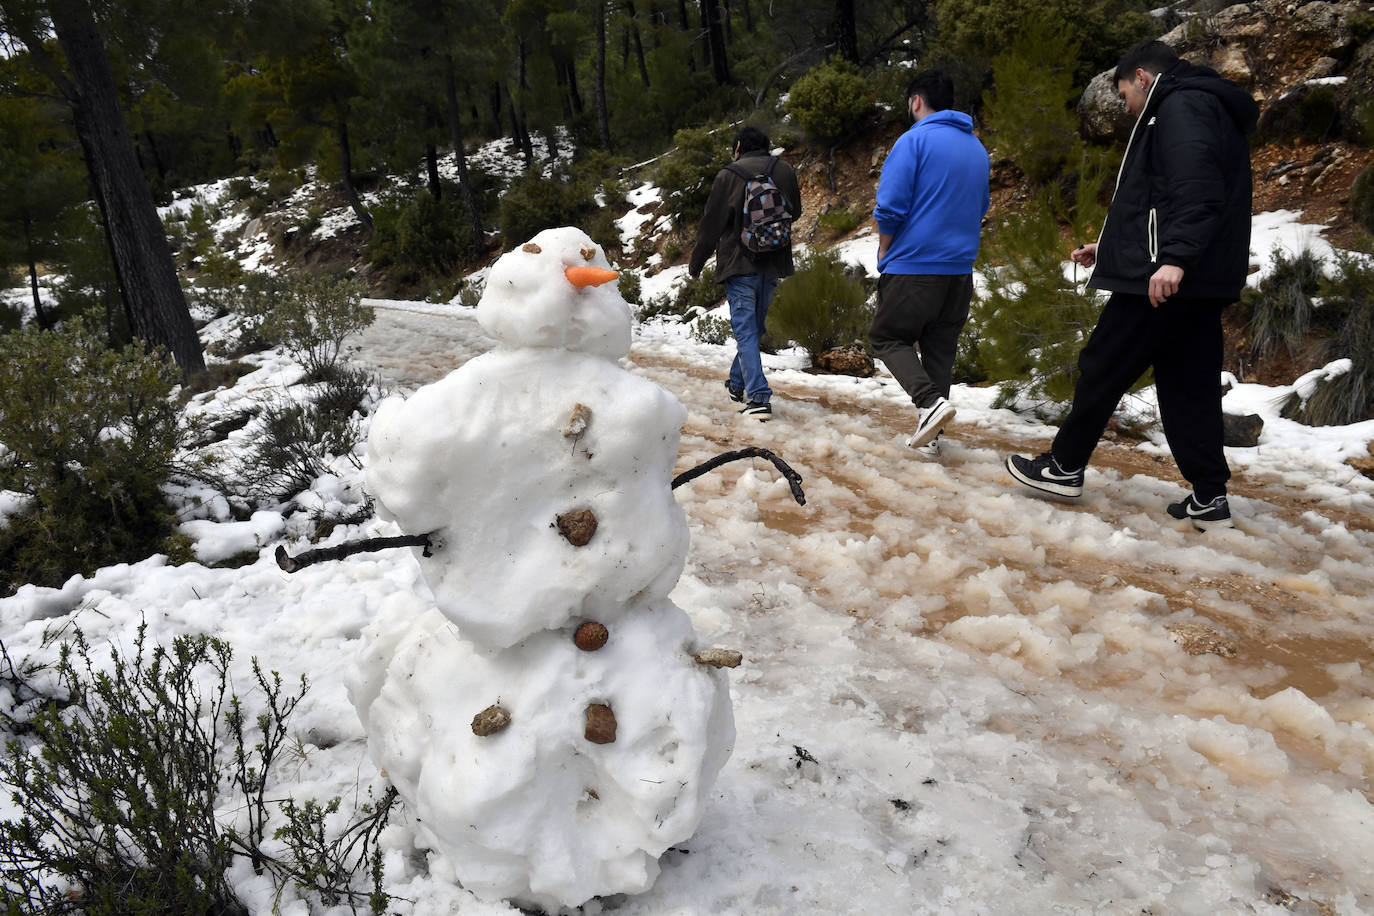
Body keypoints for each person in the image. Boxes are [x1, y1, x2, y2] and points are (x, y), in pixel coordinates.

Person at [1004, 40, 1258, 531]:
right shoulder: (1203, 105)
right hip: (1194, 278)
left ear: (1142, 78)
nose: (1126, 106)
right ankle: (1209, 495)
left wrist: (1175, 259)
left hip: (1167, 280)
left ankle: (1064, 467)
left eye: (1125, 95)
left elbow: (1196, 190)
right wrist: (1115, 250)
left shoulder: (1180, 105)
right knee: (1190, 387)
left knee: (1103, 365)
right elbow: (1165, 203)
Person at [869, 69, 991, 449]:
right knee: (939, 351)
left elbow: (890, 206)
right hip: (959, 270)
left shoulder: (913, 141)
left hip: (915, 265)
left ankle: (927, 404)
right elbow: (981, 205)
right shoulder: (976, 147)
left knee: (886, 337)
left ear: (916, 101)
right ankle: (934, 435)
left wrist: (886, 246)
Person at [689, 126, 802, 420]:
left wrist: (696, 264)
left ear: (738, 146)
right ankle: (737, 383)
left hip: (739, 264)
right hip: (773, 262)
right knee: (755, 328)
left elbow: (710, 226)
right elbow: (796, 212)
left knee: (746, 332)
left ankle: (759, 397)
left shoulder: (729, 174)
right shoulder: (785, 170)